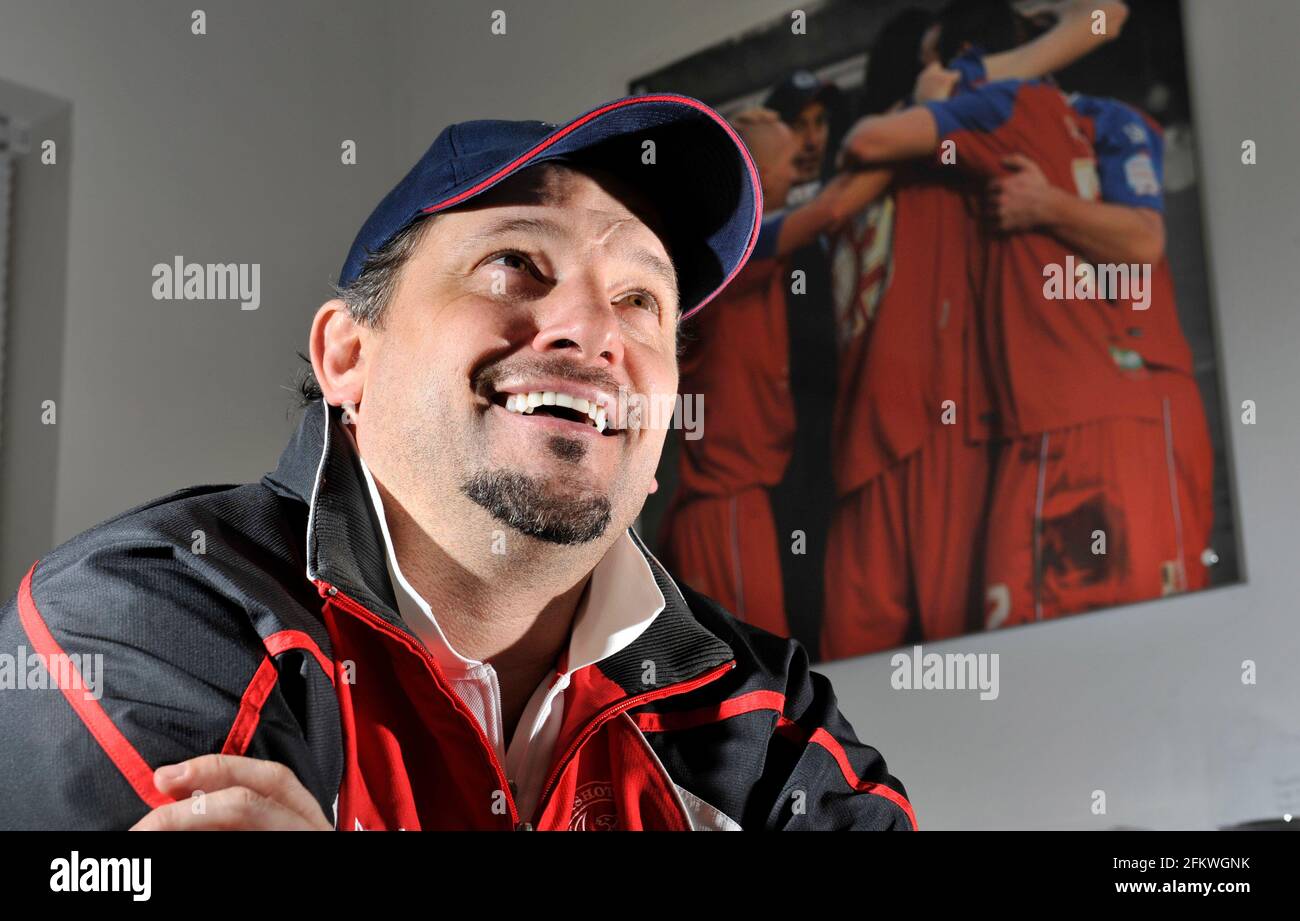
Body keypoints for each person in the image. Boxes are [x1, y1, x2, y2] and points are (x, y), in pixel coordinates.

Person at [0, 94, 915, 831]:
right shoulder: (142, 618)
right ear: (349, 356)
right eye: (515, 263)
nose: (595, 330)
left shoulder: (767, 719)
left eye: (641, 299)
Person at [837, 0, 1200, 627]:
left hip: (1123, 399)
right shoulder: (998, 119)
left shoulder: (1049, 110)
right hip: (1037, 417)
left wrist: (1046, 205)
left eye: (939, 56)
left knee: (1135, 626)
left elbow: (1143, 242)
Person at [660, 107, 887, 639]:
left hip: (745, 503)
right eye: (789, 162)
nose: (801, 173)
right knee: (751, 698)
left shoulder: (747, 251)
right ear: (753, 176)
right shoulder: (727, 251)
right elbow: (831, 209)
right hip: (723, 509)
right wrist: (922, 135)